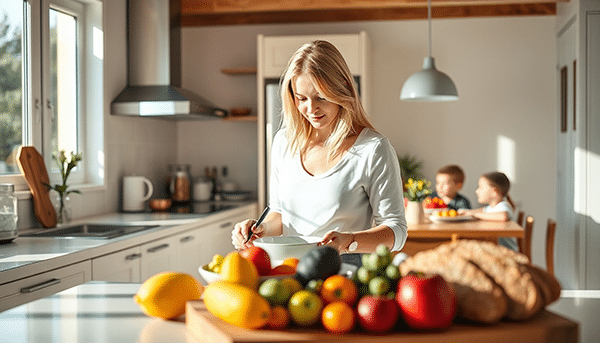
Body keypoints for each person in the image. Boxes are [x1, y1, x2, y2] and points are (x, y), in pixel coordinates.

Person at [231, 40, 407, 264]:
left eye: (321, 97)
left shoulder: (372, 149)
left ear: (341, 88)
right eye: (301, 98)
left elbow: (397, 231)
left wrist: (348, 241)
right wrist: (260, 228)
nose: (311, 109)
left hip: (344, 276)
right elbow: (279, 213)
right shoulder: (284, 142)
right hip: (289, 271)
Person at [459, 172, 518, 251]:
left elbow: (503, 216)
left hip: (507, 252)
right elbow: (482, 210)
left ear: (494, 191)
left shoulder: (503, 206)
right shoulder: (491, 208)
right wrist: (468, 212)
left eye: (481, 187)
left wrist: (475, 214)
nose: (477, 191)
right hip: (497, 250)